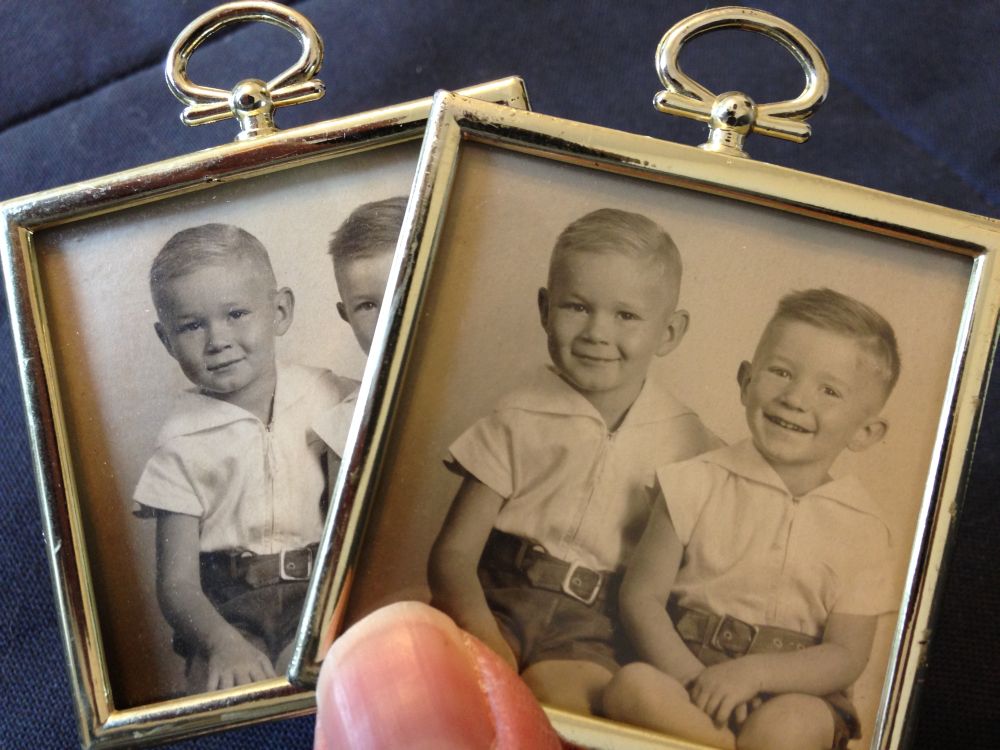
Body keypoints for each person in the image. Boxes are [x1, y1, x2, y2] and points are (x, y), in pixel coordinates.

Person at [428, 208, 720, 714]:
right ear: (545, 309)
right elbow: (452, 557)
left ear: (669, 332)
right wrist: (489, 643)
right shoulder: (519, 416)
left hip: (594, 632)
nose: (596, 333)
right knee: (454, 691)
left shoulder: (690, 444)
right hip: (497, 599)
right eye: (577, 307)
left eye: (625, 315)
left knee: (559, 707)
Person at [604, 288, 901, 750]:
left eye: (829, 390)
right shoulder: (693, 482)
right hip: (687, 668)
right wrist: (698, 681)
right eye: (781, 372)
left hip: (797, 691)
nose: (795, 399)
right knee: (632, 688)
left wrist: (755, 672)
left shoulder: (864, 528)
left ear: (865, 431)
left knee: (788, 728)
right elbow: (640, 598)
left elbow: (846, 654)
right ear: (746, 381)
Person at [134, 223, 356, 694]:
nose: (218, 340)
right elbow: (177, 587)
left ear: (279, 311)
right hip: (226, 611)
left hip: (319, 595)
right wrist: (221, 643)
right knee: (224, 690)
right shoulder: (179, 442)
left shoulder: (327, 394)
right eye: (192, 325)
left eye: (236, 314)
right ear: (166, 339)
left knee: (348, 680)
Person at [313, 196, 407, 461]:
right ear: (346, 316)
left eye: (403, 293)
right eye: (367, 305)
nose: (388, 318)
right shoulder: (345, 425)